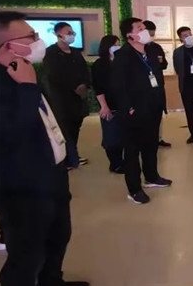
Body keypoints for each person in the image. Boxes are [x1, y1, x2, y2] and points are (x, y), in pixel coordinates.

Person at [0, 11, 89, 286]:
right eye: (31, 36)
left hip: (52, 173)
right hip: (21, 186)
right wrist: (26, 88)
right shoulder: (4, 81)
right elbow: (9, 132)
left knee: (58, 235)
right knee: (26, 256)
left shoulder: (24, 69)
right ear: (8, 45)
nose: (38, 40)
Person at [112, 18, 172, 205]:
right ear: (130, 35)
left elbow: (157, 76)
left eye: (144, 27)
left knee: (151, 144)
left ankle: (152, 176)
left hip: (153, 106)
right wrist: (128, 107)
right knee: (132, 150)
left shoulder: (151, 51)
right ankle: (134, 189)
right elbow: (118, 86)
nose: (145, 30)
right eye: (140, 28)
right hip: (135, 110)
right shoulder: (123, 55)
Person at [43, 22, 90, 170]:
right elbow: (54, 75)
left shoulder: (75, 52)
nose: (72, 35)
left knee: (75, 125)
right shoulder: (50, 53)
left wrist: (84, 84)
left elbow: (85, 70)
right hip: (62, 98)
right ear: (59, 35)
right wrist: (73, 87)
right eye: (68, 32)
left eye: (72, 32)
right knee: (65, 127)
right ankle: (68, 158)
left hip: (78, 98)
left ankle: (73, 154)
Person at [91, 35, 124, 173]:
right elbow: (98, 87)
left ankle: (121, 161)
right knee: (111, 138)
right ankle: (115, 163)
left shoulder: (121, 62)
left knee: (122, 136)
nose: (118, 46)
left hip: (123, 104)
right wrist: (104, 106)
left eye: (119, 44)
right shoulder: (99, 65)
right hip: (109, 104)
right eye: (115, 44)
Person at [143, 20, 171, 148]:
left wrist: (161, 61)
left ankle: (158, 138)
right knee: (146, 114)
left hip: (157, 85)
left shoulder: (156, 47)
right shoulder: (138, 49)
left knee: (158, 111)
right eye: (149, 34)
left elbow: (164, 65)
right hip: (144, 87)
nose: (151, 37)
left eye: (153, 34)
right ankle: (147, 140)